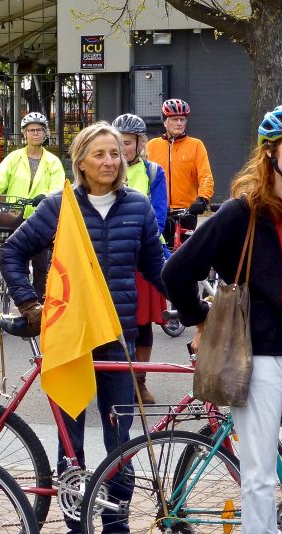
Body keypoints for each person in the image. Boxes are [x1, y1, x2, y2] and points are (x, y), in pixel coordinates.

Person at [0, 121, 166, 534]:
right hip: (68, 340)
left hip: (117, 337)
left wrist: (195, 296)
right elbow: (11, 252)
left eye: (116, 153)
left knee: (120, 441)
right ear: (80, 160)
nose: (110, 162)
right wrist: (30, 303)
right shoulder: (60, 205)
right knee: (69, 442)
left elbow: (158, 266)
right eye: (100, 154)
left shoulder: (138, 208)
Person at [163, 103, 282, 534]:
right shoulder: (241, 213)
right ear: (271, 155)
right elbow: (178, 270)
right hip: (257, 353)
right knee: (259, 470)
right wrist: (199, 318)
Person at [112, 113, 169, 404]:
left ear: (139, 143)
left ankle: (139, 382)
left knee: (142, 324)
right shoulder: (106, 168)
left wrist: (136, 241)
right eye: (118, 143)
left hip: (143, 255)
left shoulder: (153, 172)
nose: (123, 150)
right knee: (110, 323)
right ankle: (112, 378)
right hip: (113, 254)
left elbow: (158, 218)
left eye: (128, 143)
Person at [0, 111, 65, 299]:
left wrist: (45, 195)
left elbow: (59, 187)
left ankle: (40, 299)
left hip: (41, 217)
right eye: (31, 130)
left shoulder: (53, 162)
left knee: (40, 262)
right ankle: (22, 297)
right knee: (14, 259)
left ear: (45, 134)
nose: (35, 133)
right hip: (14, 215)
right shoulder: (14, 158)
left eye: (39, 130)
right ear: (24, 133)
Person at [146, 98, 214, 241]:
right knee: (158, 254)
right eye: (174, 119)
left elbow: (205, 175)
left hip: (187, 212)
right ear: (165, 121)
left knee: (185, 255)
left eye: (182, 120)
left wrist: (203, 198)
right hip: (158, 211)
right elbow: (143, 174)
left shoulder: (196, 145)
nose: (179, 123)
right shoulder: (152, 146)